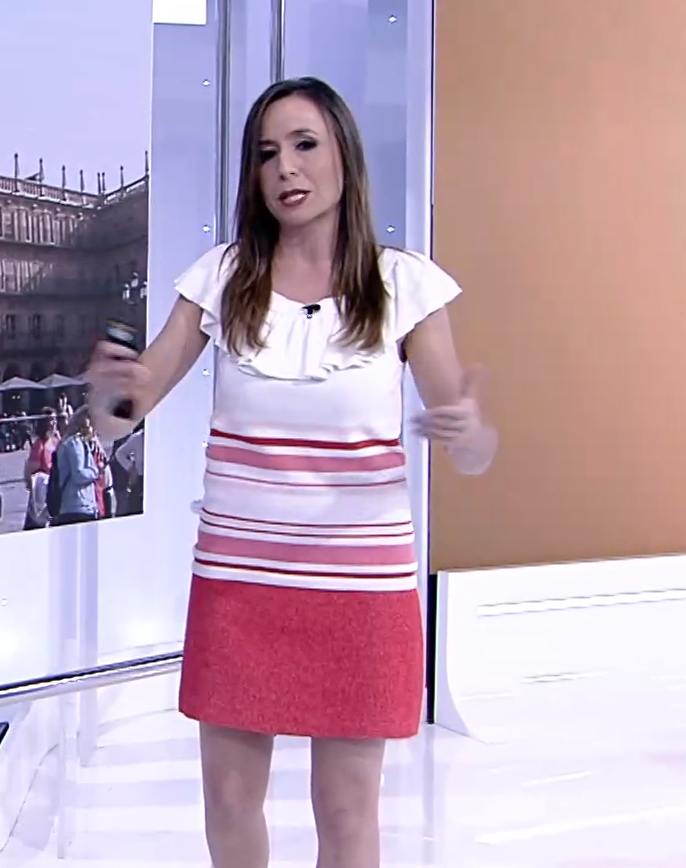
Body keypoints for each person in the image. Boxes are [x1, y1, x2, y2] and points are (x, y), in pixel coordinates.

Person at [88, 76, 497, 868]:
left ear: (344, 154)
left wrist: (468, 431)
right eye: (266, 153)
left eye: (304, 144)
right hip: (239, 587)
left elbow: (471, 449)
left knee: (345, 812)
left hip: (361, 592)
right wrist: (108, 397)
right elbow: (126, 410)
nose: (285, 168)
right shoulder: (219, 277)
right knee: (228, 800)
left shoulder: (403, 284)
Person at [52, 406, 100, 525]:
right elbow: (79, 475)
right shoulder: (74, 443)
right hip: (77, 505)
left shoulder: (82, 443)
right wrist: (95, 471)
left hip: (83, 505)